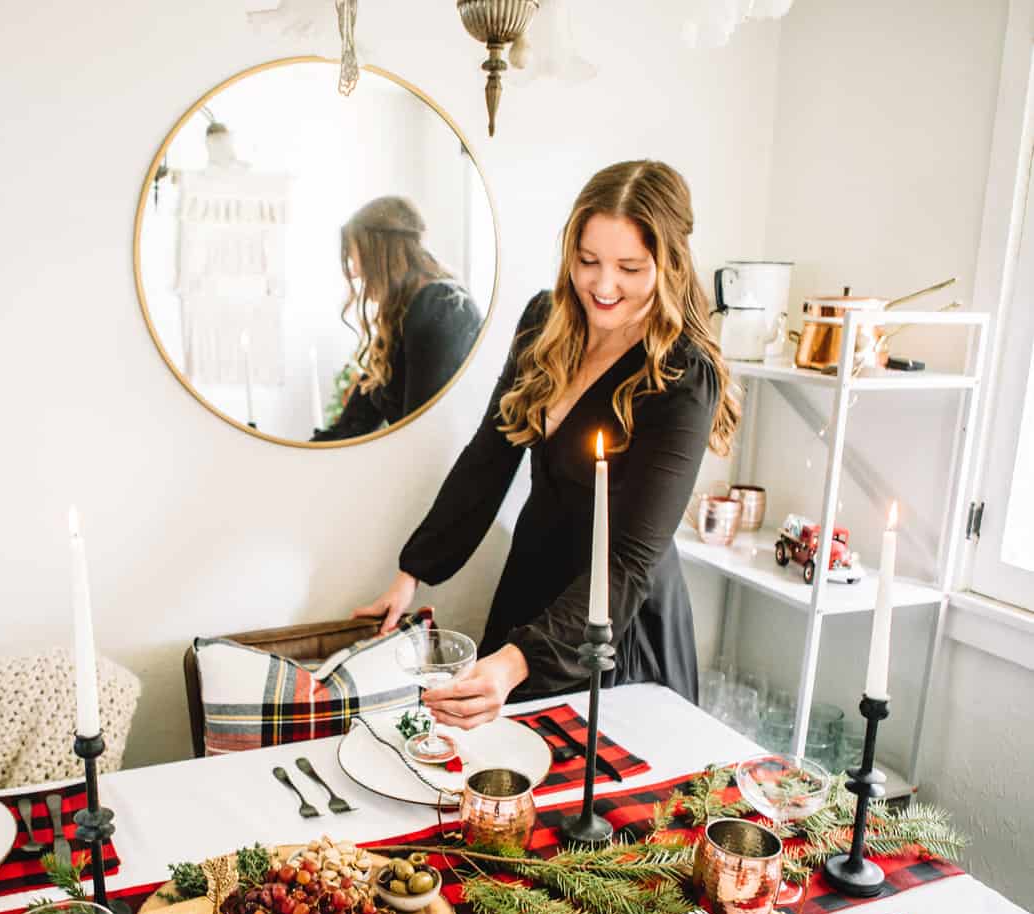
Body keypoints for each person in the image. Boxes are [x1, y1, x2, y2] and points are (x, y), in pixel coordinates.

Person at [354, 160, 739, 728]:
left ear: (670, 264)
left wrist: (517, 662)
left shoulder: (684, 375)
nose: (603, 287)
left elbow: (629, 560)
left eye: (629, 268)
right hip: (531, 590)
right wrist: (413, 570)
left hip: (617, 622)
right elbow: (490, 456)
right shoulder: (545, 321)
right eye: (588, 261)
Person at [313, 197, 483, 441]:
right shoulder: (401, 317)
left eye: (354, 257)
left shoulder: (440, 306)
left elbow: (421, 433)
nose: (353, 271)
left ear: (379, 252)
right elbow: (353, 425)